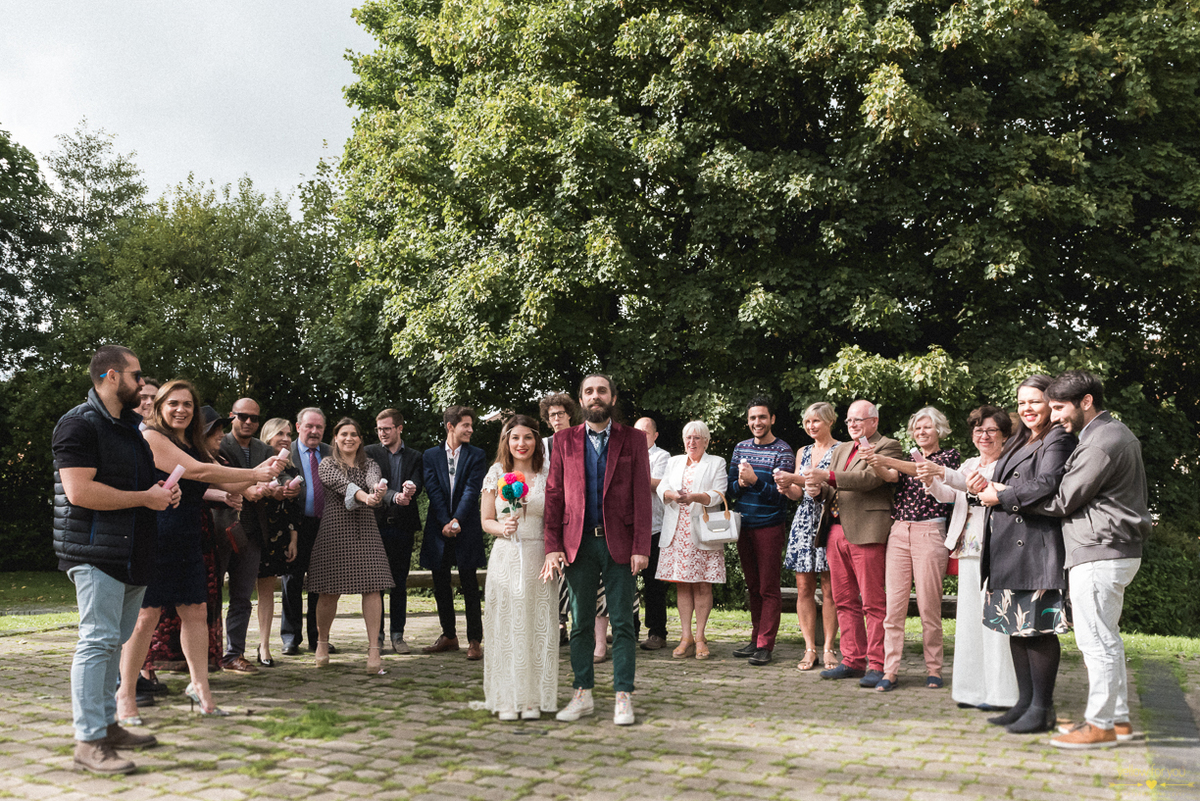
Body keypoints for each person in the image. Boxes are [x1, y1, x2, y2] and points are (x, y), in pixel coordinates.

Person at [118, 380, 282, 718]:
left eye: (188, 405)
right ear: (160, 406)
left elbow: (223, 481)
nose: (181, 410)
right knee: (146, 617)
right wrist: (254, 470)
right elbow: (197, 471)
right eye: (174, 403)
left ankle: (201, 690)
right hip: (156, 536)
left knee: (195, 614)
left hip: (188, 537)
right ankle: (126, 695)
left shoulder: (191, 443)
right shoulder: (151, 437)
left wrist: (263, 476)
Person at [53, 345, 177, 773]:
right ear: (110, 376)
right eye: (136, 375)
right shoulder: (77, 425)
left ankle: (107, 726)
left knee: (112, 643)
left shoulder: (130, 429)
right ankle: (88, 742)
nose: (143, 383)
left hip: (131, 553)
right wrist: (146, 497)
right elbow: (79, 492)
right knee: (98, 641)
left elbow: (141, 487)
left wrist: (163, 495)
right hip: (94, 554)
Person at [1038, 371, 1150, 749]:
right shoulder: (1109, 434)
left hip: (1099, 552)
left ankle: (1099, 724)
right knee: (1108, 639)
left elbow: (1064, 499)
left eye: (1059, 407)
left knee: (1096, 643)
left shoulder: (1101, 441)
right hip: (1110, 550)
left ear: (1086, 401)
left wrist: (1007, 496)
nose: (1054, 416)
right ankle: (1118, 720)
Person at [542, 374, 652, 726]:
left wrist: (641, 546)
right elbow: (554, 495)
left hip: (619, 544)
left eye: (601, 391)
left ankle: (623, 695)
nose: (595, 396)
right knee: (579, 624)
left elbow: (640, 496)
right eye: (588, 391)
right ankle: (582, 694)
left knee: (622, 623)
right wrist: (552, 546)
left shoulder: (633, 439)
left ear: (613, 398)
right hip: (578, 544)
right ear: (581, 400)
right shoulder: (563, 441)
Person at [974, 374, 1076, 734]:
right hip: (1007, 547)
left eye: (1034, 401)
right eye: (1021, 403)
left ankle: (1043, 707)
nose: (1027, 408)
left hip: (1035, 545)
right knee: (1016, 628)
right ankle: (1024, 701)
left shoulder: (1058, 437)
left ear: (1051, 402)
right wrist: (985, 485)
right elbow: (1010, 481)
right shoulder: (1020, 438)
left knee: (1038, 630)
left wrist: (1001, 495)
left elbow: (1049, 483)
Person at [922, 406, 1019, 710]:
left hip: (998, 548)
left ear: (1004, 435)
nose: (984, 435)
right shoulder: (970, 462)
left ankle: (1002, 694)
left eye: (991, 430)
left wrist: (944, 473)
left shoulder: (1010, 464)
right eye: (978, 430)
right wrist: (930, 479)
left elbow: (983, 490)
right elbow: (950, 494)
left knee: (997, 620)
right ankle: (970, 690)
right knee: (969, 621)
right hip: (968, 547)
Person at [863, 407, 960, 692]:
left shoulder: (949, 458)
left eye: (927, 427)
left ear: (939, 429)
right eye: (917, 429)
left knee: (930, 607)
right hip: (899, 532)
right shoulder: (906, 459)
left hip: (930, 532)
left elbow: (921, 472)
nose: (921, 433)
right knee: (894, 609)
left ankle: (934, 670)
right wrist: (875, 462)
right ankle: (890, 671)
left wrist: (883, 457)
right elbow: (891, 476)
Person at [808, 399, 902, 688]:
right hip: (835, 530)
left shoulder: (888, 445)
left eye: (858, 420)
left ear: (874, 421)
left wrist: (828, 476)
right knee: (843, 600)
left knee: (873, 602)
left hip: (869, 531)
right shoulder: (842, 449)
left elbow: (869, 479)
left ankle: (877, 664)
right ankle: (852, 659)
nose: (852, 425)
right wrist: (816, 490)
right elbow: (831, 488)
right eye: (848, 421)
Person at [478, 415, 558, 720]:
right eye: (515, 438)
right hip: (507, 555)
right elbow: (486, 520)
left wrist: (554, 551)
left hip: (539, 555)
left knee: (537, 626)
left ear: (536, 441)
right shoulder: (496, 473)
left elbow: (557, 518)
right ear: (506, 442)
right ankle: (507, 697)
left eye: (528, 437)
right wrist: (502, 527)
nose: (521, 444)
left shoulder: (548, 474)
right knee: (507, 626)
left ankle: (532, 699)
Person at [306, 417, 394, 675]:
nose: (349, 438)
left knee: (373, 587)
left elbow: (373, 480)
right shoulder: (327, 464)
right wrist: (366, 496)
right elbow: (345, 485)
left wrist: (377, 492)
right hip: (334, 531)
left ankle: (374, 650)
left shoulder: (371, 464)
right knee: (328, 591)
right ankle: (322, 643)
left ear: (360, 439)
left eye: (354, 434)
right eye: (344, 434)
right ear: (335, 438)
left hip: (366, 530)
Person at [728, 396, 795, 666]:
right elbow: (729, 489)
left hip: (769, 526)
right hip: (743, 525)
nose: (758, 422)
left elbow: (782, 498)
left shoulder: (783, 452)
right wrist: (742, 484)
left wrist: (755, 481)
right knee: (753, 586)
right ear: (748, 421)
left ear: (772, 420)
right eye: (753, 418)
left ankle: (766, 644)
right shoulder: (740, 448)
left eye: (762, 417)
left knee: (768, 587)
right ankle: (755, 639)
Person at [775, 402, 841, 671]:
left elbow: (830, 483)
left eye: (816, 421)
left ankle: (829, 648)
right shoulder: (802, 451)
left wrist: (794, 478)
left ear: (829, 421)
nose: (811, 426)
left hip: (829, 520)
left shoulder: (841, 449)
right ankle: (809, 648)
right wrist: (786, 486)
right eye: (807, 422)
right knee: (804, 588)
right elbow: (797, 493)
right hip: (804, 521)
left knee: (830, 589)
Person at [655, 421, 727, 660]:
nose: (692, 442)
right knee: (681, 584)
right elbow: (661, 487)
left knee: (703, 584)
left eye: (697, 438)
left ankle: (700, 637)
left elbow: (720, 493)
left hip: (702, 530)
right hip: (676, 533)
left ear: (706, 441)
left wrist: (696, 496)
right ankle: (685, 637)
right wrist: (670, 494)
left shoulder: (716, 462)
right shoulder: (674, 461)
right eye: (688, 438)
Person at [421, 405, 488, 660]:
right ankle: (449, 635)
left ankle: (474, 640)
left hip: (466, 528)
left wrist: (457, 520)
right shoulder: (429, 455)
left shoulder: (477, 455)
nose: (471, 430)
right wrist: (445, 522)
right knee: (440, 584)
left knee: (469, 584)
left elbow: (472, 490)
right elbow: (433, 490)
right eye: (466, 425)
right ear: (451, 426)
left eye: (471, 425)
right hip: (439, 529)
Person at [215, 397, 275, 674]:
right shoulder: (217, 442)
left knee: (242, 597)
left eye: (254, 418)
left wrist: (284, 487)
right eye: (243, 416)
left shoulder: (264, 448)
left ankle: (233, 654)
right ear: (231, 416)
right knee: (211, 594)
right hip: (220, 528)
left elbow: (281, 476)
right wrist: (247, 486)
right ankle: (208, 652)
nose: (249, 422)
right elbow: (211, 475)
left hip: (252, 532)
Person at [366, 408, 424, 654]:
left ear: (400, 428)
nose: (382, 433)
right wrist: (393, 496)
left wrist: (411, 491)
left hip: (403, 527)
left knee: (399, 583)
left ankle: (397, 636)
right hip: (375, 526)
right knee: (375, 583)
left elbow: (418, 482)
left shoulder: (415, 455)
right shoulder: (369, 453)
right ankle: (376, 637)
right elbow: (371, 482)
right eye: (379, 429)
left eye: (387, 429)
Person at [282, 407, 330, 655]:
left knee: (320, 583)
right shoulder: (285, 452)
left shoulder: (332, 453)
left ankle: (318, 637)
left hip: (325, 526)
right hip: (295, 527)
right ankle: (291, 637)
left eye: (319, 427)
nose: (314, 431)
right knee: (292, 580)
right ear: (298, 426)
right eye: (309, 426)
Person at [254, 417, 301, 666]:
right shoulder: (255, 464)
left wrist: (293, 539)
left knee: (267, 593)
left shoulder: (292, 471)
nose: (285, 438)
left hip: (278, 536)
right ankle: (231, 648)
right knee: (239, 595)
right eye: (279, 433)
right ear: (268, 436)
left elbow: (293, 510)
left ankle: (264, 646)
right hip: (252, 533)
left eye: (288, 434)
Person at [540, 392, 579, 647]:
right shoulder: (543, 445)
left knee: (575, 569)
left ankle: (583, 623)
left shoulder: (580, 440)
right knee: (554, 570)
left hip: (576, 514)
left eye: (560, 413)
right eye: (552, 415)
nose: (556, 418)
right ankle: (558, 622)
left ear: (569, 415)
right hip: (549, 512)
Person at [634, 417, 671, 651]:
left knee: (654, 585)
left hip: (654, 528)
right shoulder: (626, 454)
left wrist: (629, 475)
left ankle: (657, 632)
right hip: (629, 529)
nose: (640, 438)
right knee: (625, 584)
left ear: (655, 436)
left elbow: (657, 484)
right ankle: (628, 629)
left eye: (645, 434)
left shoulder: (662, 457)